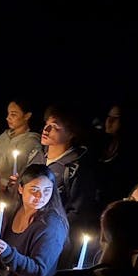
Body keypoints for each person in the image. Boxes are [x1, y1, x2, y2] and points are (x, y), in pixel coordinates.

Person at [24, 103, 98, 264]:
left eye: (55, 127)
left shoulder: (76, 169)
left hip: (50, 239)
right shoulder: (35, 156)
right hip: (24, 231)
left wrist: (52, 231)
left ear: (71, 133)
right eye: (46, 124)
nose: (46, 130)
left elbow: (78, 211)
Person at [0, 97, 41, 188]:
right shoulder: (5, 135)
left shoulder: (30, 141)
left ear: (27, 116)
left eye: (13, 114)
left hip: (8, 190)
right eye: (8, 113)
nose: (7, 118)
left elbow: (6, 169)